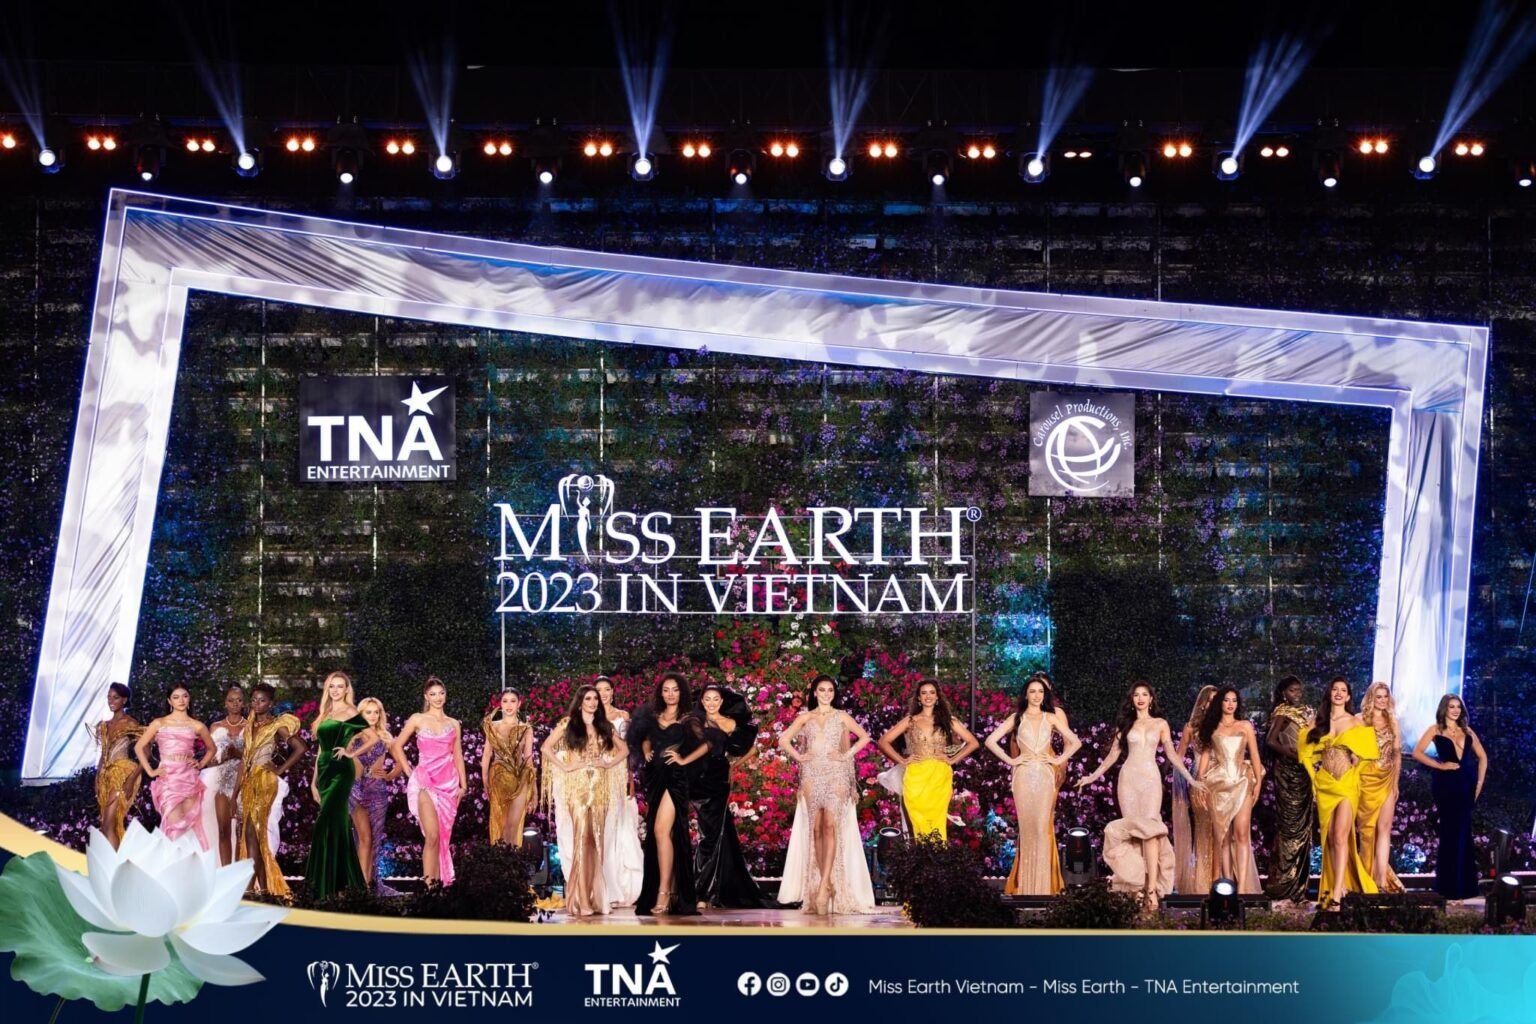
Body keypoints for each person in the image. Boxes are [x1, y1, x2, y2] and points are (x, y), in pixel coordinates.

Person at [1075, 681, 1204, 912]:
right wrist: (1091, 777)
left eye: (1145, 694)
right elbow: (1113, 756)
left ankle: (1152, 889)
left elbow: (1172, 754)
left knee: (1151, 831)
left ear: (1151, 699)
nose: (1141, 698)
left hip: (1150, 780)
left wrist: (1190, 778)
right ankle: (1136, 888)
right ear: (1132, 699)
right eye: (1136, 695)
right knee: (1134, 832)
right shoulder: (1125, 724)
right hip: (1128, 781)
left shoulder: (1160, 723)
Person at [778, 674, 876, 916]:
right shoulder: (805, 717)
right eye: (821, 690)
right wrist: (800, 757)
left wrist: (845, 756)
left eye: (830, 690)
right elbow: (783, 740)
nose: (826, 694)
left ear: (834, 693)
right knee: (817, 829)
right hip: (812, 774)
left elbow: (865, 737)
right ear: (814, 692)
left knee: (831, 826)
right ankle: (826, 882)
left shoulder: (841, 716)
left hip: (836, 773)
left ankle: (824, 887)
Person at [984, 675, 1080, 895]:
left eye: (1040, 691)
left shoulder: (1051, 717)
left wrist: (1056, 760)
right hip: (1023, 777)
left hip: (1045, 776)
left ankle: (1043, 889)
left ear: (1045, 695)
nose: (1037, 695)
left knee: (1041, 828)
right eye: (1033, 691)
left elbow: (1075, 742)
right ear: (1026, 695)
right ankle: (1027, 889)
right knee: (1027, 831)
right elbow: (990, 741)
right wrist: (1012, 761)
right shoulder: (1016, 718)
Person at [541, 686, 629, 917]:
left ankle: (595, 897)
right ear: (580, 702)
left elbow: (624, 750)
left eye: (595, 699)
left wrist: (608, 763)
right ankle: (581, 900)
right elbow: (546, 748)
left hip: (599, 788)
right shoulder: (568, 724)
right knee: (581, 839)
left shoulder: (604, 725)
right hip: (577, 788)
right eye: (588, 698)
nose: (592, 702)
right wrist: (566, 766)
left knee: (595, 842)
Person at [631, 673, 710, 916]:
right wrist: (647, 751)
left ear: (682, 692)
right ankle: (672, 889)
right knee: (664, 835)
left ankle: (664, 892)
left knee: (660, 831)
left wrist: (684, 759)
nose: (670, 694)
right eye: (666, 690)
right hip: (655, 779)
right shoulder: (653, 717)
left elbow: (708, 744)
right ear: (660, 693)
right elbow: (644, 738)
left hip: (676, 780)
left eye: (675, 689)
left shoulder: (689, 718)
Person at [1297, 677, 1379, 910]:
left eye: (1343, 690)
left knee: (1341, 836)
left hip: (1346, 784)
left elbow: (1369, 753)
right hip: (1325, 784)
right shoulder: (1318, 721)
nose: (1339, 693)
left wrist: (1356, 769)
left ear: (1349, 696)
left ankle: (1337, 893)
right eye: (1335, 689)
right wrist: (1314, 780)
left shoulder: (1355, 722)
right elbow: (1304, 753)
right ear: (1330, 693)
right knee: (1330, 837)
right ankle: (1338, 885)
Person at [691, 684, 771, 909]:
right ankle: (713, 888)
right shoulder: (695, 722)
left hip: (718, 780)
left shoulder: (731, 724)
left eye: (715, 699)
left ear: (722, 701)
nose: (711, 703)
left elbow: (752, 749)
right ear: (702, 701)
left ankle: (702, 891)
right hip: (697, 779)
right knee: (716, 832)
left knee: (710, 834)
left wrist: (733, 766)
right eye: (707, 699)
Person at [877, 680, 980, 842]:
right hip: (916, 778)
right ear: (918, 698)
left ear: (937, 697)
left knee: (936, 825)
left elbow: (973, 742)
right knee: (918, 825)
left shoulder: (949, 720)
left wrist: (952, 760)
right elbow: (883, 741)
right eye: (924, 693)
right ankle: (922, 856)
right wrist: (902, 760)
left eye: (932, 692)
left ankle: (935, 857)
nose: (928, 696)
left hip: (939, 778)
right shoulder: (910, 721)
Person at [391, 676, 467, 887]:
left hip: (448, 784)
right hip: (424, 782)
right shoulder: (417, 719)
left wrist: (464, 785)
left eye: (441, 693)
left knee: (442, 838)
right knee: (432, 836)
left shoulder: (453, 724)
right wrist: (409, 771)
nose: (438, 698)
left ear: (446, 695)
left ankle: (438, 887)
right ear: (426, 696)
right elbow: (396, 745)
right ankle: (429, 888)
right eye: (433, 694)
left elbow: (458, 754)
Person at [1411, 693, 1487, 901]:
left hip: (1467, 784)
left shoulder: (1467, 730)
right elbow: (1417, 753)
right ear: (1444, 709)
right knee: (1450, 832)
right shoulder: (1435, 729)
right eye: (1451, 706)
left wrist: (1479, 783)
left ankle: (1464, 887)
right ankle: (1448, 887)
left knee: (1463, 832)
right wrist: (1440, 765)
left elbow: (1483, 757)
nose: (1455, 710)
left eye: (1458, 707)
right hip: (1446, 785)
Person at [236, 683, 305, 896]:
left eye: (262, 700)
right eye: (254, 700)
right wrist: (233, 796)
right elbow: (244, 761)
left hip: (265, 782)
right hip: (248, 782)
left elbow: (300, 748)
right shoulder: (249, 725)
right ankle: (264, 888)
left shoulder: (277, 725)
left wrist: (279, 770)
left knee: (253, 832)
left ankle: (252, 888)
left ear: (270, 703)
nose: (257, 703)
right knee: (253, 837)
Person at [305, 670, 368, 899]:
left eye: (340, 686)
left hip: (341, 772)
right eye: (332, 686)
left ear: (346, 689)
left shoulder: (351, 712)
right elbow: (320, 750)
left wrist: (351, 753)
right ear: (327, 689)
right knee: (336, 824)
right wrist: (313, 783)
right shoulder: (326, 713)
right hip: (324, 771)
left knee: (326, 823)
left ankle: (330, 885)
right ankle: (339, 887)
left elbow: (373, 738)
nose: (335, 690)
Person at [1195, 686, 1264, 894]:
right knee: (1223, 836)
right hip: (1218, 785)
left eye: (1234, 700)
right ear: (1220, 703)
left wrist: (1258, 783)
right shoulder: (1212, 727)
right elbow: (1205, 757)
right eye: (1226, 700)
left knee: (1241, 833)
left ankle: (1241, 888)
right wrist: (1199, 783)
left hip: (1242, 782)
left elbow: (1255, 755)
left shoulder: (1245, 726)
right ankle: (1228, 884)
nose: (1230, 704)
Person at [134, 685, 215, 849]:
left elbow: (212, 748)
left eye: (185, 696)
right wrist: (150, 771)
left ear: (189, 699)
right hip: (168, 778)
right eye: (176, 697)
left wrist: (200, 763)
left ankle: (191, 863)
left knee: (190, 826)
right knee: (173, 824)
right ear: (169, 701)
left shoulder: (197, 725)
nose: (181, 700)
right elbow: (139, 747)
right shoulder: (159, 723)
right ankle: (172, 862)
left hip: (189, 778)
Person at [336, 696, 402, 895]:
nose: (373, 716)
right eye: (368, 712)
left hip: (377, 791)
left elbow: (401, 763)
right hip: (356, 790)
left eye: (376, 712)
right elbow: (340, 760)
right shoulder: (353, 736)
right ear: (360, 714)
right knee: (363, 837)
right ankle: (360, 886)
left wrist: (389, 775)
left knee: (374, 839)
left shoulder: (385, 737)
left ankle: (368, 884)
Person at [1263, 675, 1315, 903]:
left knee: (1304, 827)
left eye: (1299, 690)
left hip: (1304, 772)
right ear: (1284, 693)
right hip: (1287, 771)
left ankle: (1299, 887)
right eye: (1293, 690)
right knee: (1289, 826)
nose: (1297, 694)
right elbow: (1271, 741)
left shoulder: (1305, 712)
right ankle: (1283, 883)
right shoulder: (1283, 712)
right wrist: (1294, 755)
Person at [596, 676, 644, 908]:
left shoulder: (623, 717)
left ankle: (626, 889)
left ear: (613, 692)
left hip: (618, 773)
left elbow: (630, 749)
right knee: (603, 829)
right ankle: (605, 888)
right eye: (599, 690)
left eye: (607, 689)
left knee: (622, 826)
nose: (603, 694)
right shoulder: (589, 717)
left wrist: (629, 776)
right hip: (596, 775)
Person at [1357, 682, 1405, 894]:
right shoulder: (1360, 720)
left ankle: (1381, 882)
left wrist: (1395, 782)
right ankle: (1364, 879)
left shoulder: (1393, 721)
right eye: (1379, 696)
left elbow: (1397, 755)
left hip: (1386, 778)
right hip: (1365, 779)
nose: (1383, 700)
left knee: (1384, 829)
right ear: (1371, 698)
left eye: (1386, 696)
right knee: (1366, 832)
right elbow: (1353, 751)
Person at [1172, 685, 1218, 894]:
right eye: (1209, 700)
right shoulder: (1191, 727)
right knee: (1203, 830)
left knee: (1222, 833)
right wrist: (1186, 781)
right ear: (1202, 703)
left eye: (1216, 700)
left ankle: (1223, 881)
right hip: (1200, 782)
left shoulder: (1225, 725)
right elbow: (1178, 756)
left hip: (1223, 781)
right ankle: (1202, 885)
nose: (1213, 704)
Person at [199, 685, 247, 865]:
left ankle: (240, 871)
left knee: (241, 831)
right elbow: (210, 760)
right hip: (220, 779)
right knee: (223, 829)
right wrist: (224, 757)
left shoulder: (250, 726)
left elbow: (255, 756)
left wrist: (238, 754)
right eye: (231, 700)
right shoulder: (215, 726)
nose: (235, 704)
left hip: (243, 779)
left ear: (244, 702)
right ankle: (226, 871)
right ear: (225, 703)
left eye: (239, 700)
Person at [481, 688, 535, 846]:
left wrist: (534, 790)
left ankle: (514, 858)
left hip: (520, 778)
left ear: (519, 704)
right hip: (498, 778)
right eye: (505, 701)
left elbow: (528, 759)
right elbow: (486, 755)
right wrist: (485, 780)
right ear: (500, 704)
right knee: (502, 824)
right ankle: (503, 858)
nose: (509, 705)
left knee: (514, 825)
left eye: (513, 701)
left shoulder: (526, 728)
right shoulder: (492, 726)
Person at [91, 683, 143, 849]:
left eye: (115, 698)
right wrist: (97, 777)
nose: (111, 701)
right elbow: (104, 754)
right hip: (105, 776)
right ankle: (113, 859)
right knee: (106, 825)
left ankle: (114, 861)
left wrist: (131, 779)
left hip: (122, 774)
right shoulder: (104, 726)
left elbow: (146, 754)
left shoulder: (130, 724)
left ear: (124, 700)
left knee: (109, 823)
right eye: (109, 697)